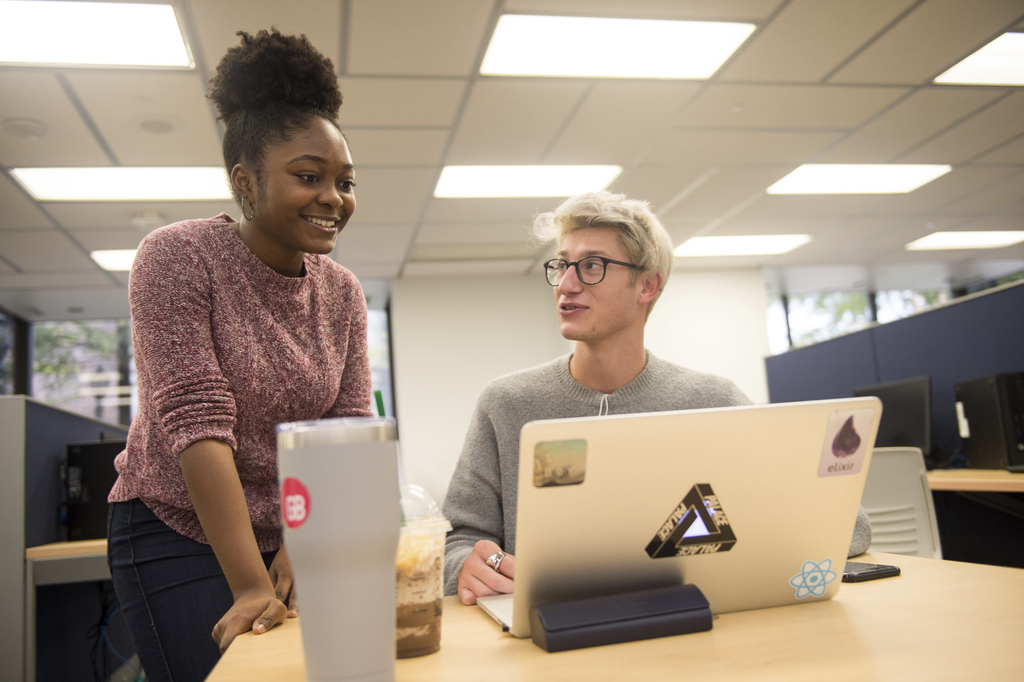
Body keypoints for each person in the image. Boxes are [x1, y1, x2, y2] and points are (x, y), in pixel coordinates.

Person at [442, 191, 872, 604]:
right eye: (562, 265)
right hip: (548, 636)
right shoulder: (507, 403)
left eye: (591, 266)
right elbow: (455, 543)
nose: (566, 284)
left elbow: (845, 525)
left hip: (687, 628)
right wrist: (471, 565)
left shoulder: (712, 401)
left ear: (647, 286)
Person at [106, 29, 371, 682]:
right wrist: (252, 586)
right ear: (245, 182)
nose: (333, 198)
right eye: (308, 177)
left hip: (293, 533)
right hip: (177, 529)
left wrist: (310, 548)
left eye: (344, 180)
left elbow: (347, 427)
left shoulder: (341, 292)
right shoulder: (179, 257)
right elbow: (197, 423)